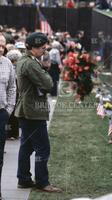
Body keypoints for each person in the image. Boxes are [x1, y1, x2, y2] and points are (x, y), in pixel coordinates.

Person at [14, 32, 62, 192]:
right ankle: (42, 182)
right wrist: (45, 73)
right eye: (41, 47)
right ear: (32, 48)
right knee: (43, 148)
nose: (44, 50)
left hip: (27, 110)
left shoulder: (26, 60)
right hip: (32, 112)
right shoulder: (30, 63)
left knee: (26, 147)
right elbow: (49, 83)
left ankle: (24, 178)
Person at [0, 34, 16, 199]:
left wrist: (9, 109)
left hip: (1, 115)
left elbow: (12, 87)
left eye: (3, 45)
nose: (0, 48)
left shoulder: (7, 64)